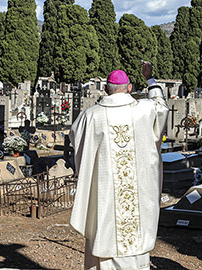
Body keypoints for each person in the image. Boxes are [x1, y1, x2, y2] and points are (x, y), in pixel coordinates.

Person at [69, 62, 168, 270]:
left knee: (104, 235)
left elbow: (77, 140)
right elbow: (161, 105)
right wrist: (149, 78)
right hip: (140, 200)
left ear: (106, 89)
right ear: (129, 88)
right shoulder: (145, 110)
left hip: (105, 198)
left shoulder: (91, 116)